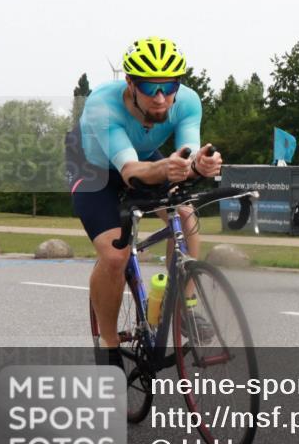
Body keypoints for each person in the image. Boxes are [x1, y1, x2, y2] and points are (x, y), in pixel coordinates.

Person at [67, 37, 222, 368]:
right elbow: (130, 171)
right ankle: (108, 345)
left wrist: (199, 164)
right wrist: (168, 167)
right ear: (130, 83)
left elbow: (187, 153)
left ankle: (185, 305)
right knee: (115, 254)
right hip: (94, 169)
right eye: (150, 86)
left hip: (144, 159)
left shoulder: (188, 101)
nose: (161, 96)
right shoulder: (102, 105)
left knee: (184, 212)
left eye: (169, 85)